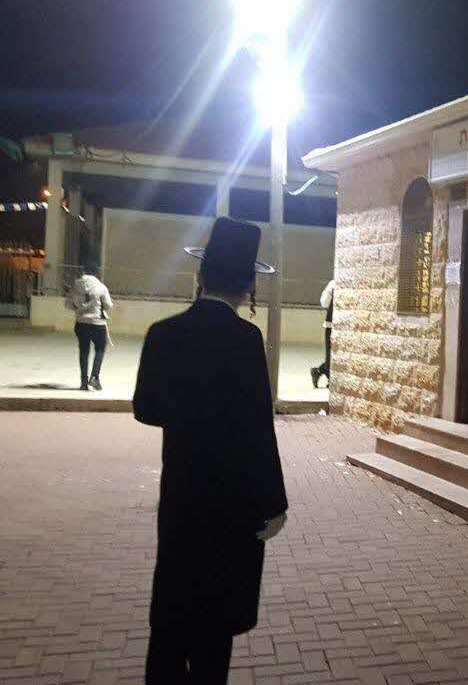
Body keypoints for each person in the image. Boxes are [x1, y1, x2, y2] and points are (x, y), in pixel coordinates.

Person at [133, 217, 289, 684]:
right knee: (215, 627)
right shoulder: (246, 341)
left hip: (181, 494)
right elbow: (259, 430)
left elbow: (145, 409)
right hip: (231, 505)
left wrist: (189, 416)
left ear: (200, 276)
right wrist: (274, 503)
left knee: (171, 611)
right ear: (248, 285)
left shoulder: (162, 333)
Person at [65, 263, 113, 391]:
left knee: (84, 351)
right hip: (98, 323)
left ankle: (84, 382)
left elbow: (68, 304)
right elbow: (108, 305)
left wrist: (79, 309)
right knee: (100, 349)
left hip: (81, 323)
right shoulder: (101, 286)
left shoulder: (76, 285)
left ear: (84, 272)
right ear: (97, 273)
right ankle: (95, 377)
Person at [310, 278, 335, 388]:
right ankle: (322, 373)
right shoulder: (333, 284)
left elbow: (324, 302)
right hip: (332, 325)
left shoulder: (333, 284)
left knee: (332, 355)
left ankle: (318, 371)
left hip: (332, 324)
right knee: (331, 356)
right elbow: (324, 303)